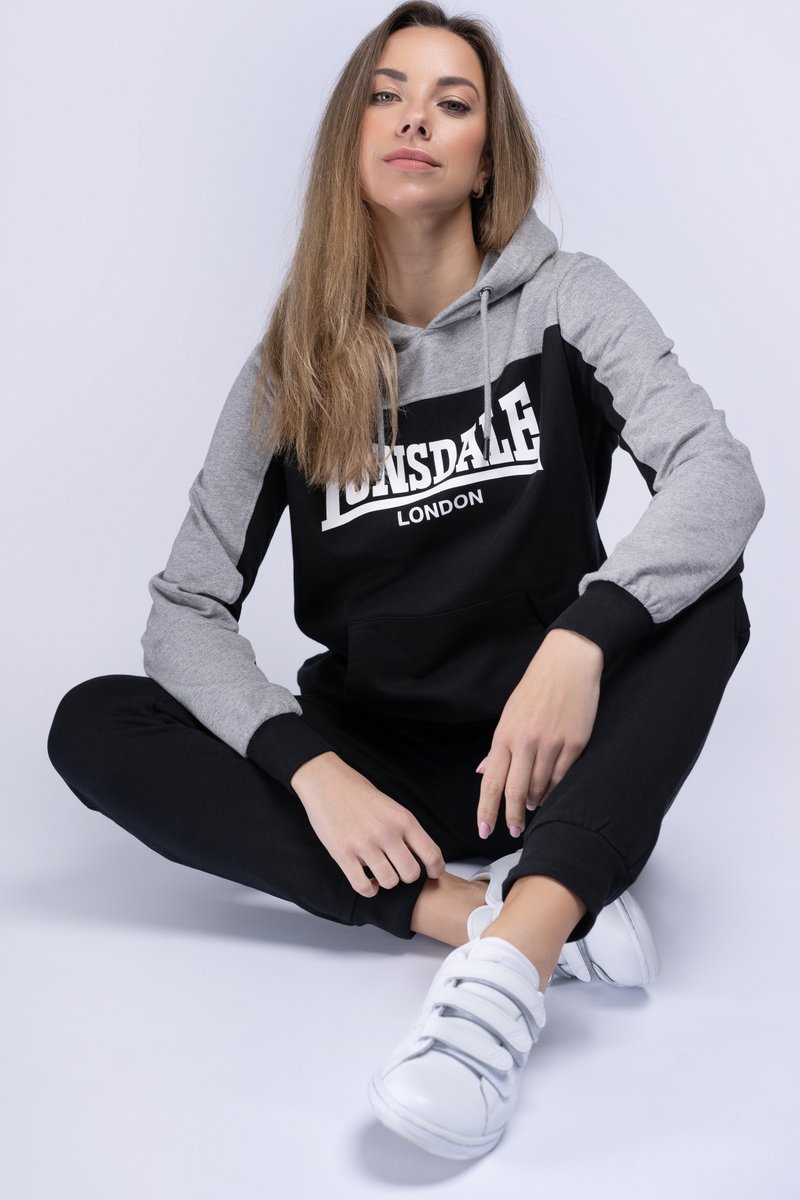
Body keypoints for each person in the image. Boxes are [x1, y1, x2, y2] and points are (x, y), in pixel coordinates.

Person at [46, 0, 765, 1163]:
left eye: (450, 100)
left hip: (544, 759)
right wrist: (311, 770)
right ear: (353, 141)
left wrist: (580, 639)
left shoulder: (567, 299)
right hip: (379, 775)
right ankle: (478, 914)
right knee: (93, 722)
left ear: (487, 158)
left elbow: (715, 475)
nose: (414, 118)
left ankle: (509, 969)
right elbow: (183, 611)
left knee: (706, 597)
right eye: (386, 94)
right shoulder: (292, 366)